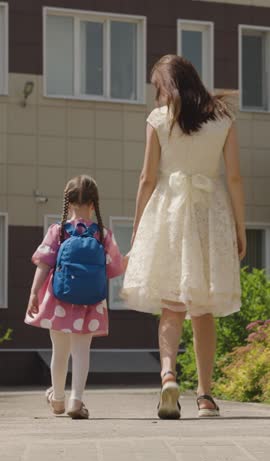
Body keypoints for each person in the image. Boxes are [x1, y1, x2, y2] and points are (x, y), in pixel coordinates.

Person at [122, 55, 246, 419]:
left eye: (157, 86)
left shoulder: (159, 120)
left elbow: (146, 179)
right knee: (203, 310)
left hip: (168, 214)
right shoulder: (223, 118)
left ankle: (167, 376)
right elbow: (235, 179)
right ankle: (206, 396)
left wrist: (137, 231)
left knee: (171, 306)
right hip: (211, 215)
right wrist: (240, 228)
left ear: (167, 85)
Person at [25, 175, 125, 419]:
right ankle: (76, 401)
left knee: (59, 352)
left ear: (68, 203)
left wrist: (33, 293)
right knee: (81, 352)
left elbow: (44, 264)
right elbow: (114, 269)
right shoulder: (102, 235)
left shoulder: (58, 231)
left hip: (59, 300)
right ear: (94, 204)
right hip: (90, 304)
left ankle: (57, 399)